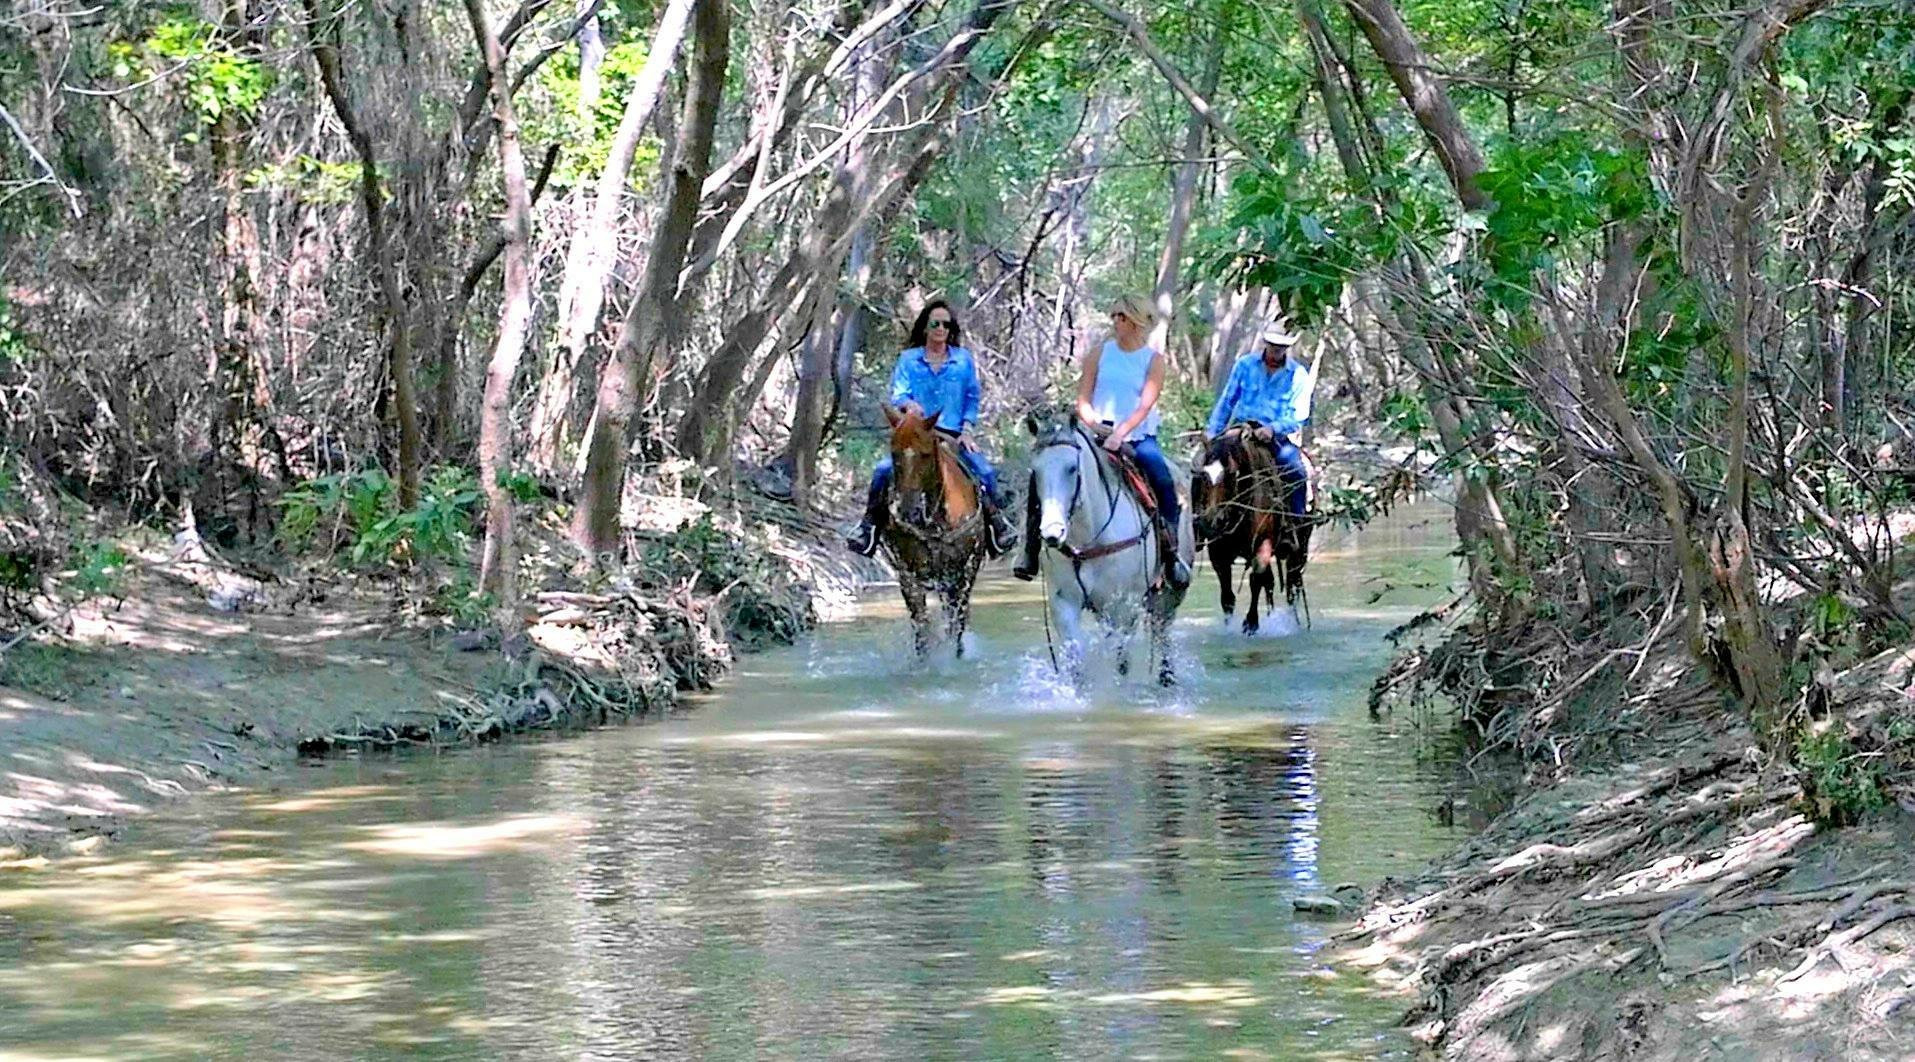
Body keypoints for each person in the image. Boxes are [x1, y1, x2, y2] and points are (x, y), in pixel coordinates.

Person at [1013, 293, 1190, 590]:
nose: (1116, 322)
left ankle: (1170, 553)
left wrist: (1120, 434)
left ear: (1135, 321)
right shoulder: (1100, 353)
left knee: (1161, 478)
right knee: (1046, 472)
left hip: (1137, 434)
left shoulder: (1153, 361)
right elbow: (1083, 397)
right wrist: (1094, 425)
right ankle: (1030, 549)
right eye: (1115, 316)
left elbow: (1145, 404)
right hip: (1093, 433)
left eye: (1122, 317)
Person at [846, 300, 1018, 557]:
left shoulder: (962, 360)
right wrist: (908, 404)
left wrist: (968, 429)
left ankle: (998, 528)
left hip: (952, 435)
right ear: (925, 328)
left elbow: (972, 398)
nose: (940, 328)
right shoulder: (908, 359)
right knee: (882, 471)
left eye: (946, 324)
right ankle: (868, 527)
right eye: (935, 323)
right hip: (917, 435)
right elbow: (899, 394)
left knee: (986, 472)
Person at [1206, 315, 1314, 518]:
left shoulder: (1298, 375)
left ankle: (1297, 524)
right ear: (1266, 343)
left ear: (1287, 348)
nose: (1276, 350)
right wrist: (1213, 431)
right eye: (1273, 345)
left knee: (1296, 472)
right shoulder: (1244, 365)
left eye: (1281, 346)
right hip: (1240, 429)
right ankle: (1201, 521)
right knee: (1207, 465)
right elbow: (1227, 401)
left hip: (1275, 437)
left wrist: (1273, 428)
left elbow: (1298, 415)